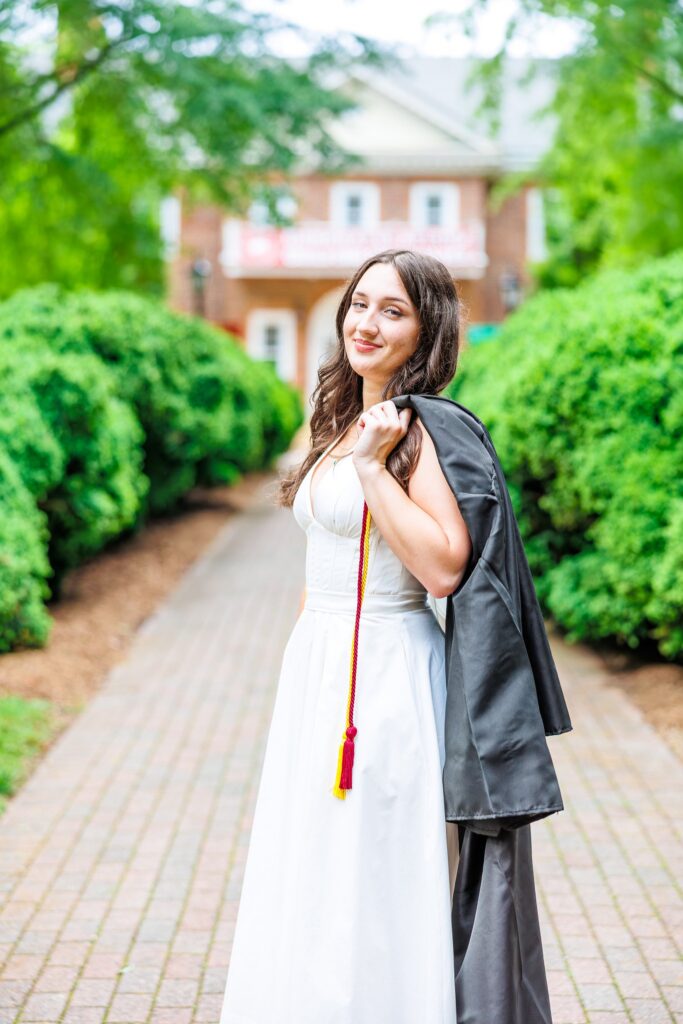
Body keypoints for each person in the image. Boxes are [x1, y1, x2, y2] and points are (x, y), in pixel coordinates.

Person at [219, 248, 473, 1024]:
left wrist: (371, 470)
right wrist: (305, 660)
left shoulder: (415, 431)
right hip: (321, 667)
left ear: (427, 331)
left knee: (371, 868)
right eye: (360, 303)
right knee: (316, 864)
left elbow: (444, 567)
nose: (366, 322)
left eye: (392, 310)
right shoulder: (340, 418)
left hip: (386, 672)